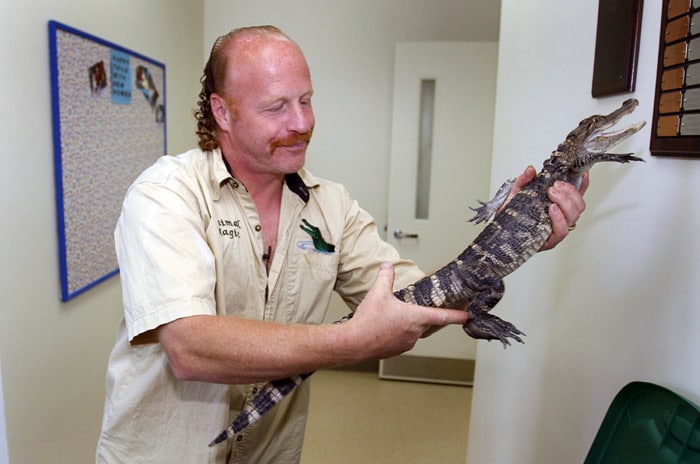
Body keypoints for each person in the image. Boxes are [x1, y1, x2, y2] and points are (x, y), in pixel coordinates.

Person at [96, 25, 587, 464]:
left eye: (305, 100)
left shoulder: (333, 207)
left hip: (270, 451)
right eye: (276, 107)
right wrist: (349, 342)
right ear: (223, 112)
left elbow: (417, 299)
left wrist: (512, 243)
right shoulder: (166, 193)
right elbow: (189, 348)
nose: (301, 122)